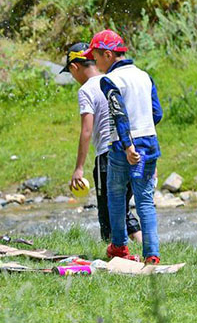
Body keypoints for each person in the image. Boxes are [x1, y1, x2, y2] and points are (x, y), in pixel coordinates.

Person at [84, 29, 163, 264]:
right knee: (145, 199)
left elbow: (118, 113)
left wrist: (128, 145)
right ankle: (152, 254)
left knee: (116, 195)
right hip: (149, 140)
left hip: (123, 144)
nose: (94, 62)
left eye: (96, 57)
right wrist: (143, 126)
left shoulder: (111, 80)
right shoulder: (144, 76)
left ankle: (119, 247)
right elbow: (156, 113)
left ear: (108, 54)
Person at [62, 42, 142, 243]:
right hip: (129, 149)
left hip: (107, 156)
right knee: (123, 206)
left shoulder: (86, 90)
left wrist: (79, 168)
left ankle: (112, 252)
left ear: (74, 67)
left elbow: (87, 130)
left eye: (71, 73)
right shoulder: (113, 80)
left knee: (107, 211)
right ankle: (144, 246)